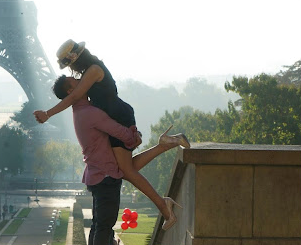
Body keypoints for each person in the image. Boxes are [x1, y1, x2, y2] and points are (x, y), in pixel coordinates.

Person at [34, 40, 189, 228]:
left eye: (70, 64)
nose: (71, 70)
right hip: (116, 116)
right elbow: (76, 96)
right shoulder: (89, 71)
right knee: (126, 169)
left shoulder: (93, 70)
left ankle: (164, 206)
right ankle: (165, 146)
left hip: (118, 117)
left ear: (76, 59)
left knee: (127, 171)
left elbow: (74, 96)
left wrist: (48, 113)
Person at [51, 74, 181, 245]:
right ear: (70, 93)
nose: (82, 84)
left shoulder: (82, 112)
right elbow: (118, 131)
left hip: (99, 173)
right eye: (75, 84)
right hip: (105, 176)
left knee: (98, 226)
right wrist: (134, 135)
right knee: (104, 227)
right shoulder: (91, 113)